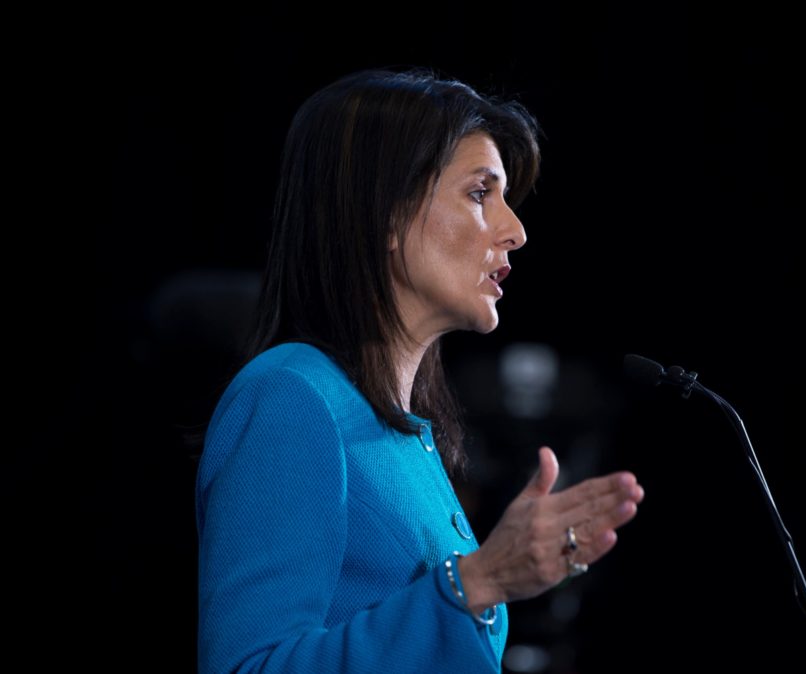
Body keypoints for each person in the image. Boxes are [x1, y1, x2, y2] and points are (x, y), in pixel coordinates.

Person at [195, 67, 645, 673]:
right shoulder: (290, 397)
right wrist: (480, 580)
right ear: (384, 212)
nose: (515, 231)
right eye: (480, 194)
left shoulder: (405, 431)